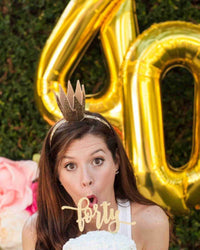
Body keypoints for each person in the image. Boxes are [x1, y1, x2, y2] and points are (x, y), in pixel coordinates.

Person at [22, 81, 171, 249]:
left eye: (97, 161)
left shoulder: (150, 222)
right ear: (56, 174)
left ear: (116, 161)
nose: (86, 179)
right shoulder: (36, 230)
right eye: (70, 166)